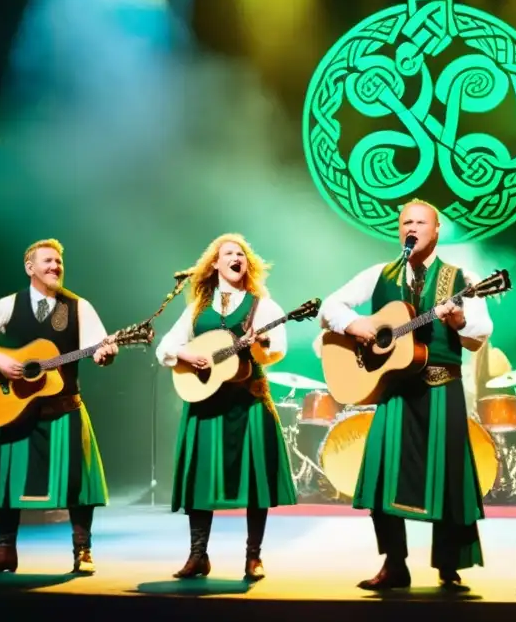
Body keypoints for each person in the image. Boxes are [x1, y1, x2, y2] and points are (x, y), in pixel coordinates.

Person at [317, 199, 493, 590]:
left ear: (436, 230)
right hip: (394, 389)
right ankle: (394, 563)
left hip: (440, 387)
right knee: (382, 476)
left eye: (420, 222)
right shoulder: (381, 273)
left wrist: (460, 319)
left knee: (447, 479)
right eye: (405, 222)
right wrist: (357, 326)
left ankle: (449, 566)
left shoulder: (462, 277)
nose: (411, 228)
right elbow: (330, 307)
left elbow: (480, 333)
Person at [0, 239, 116, 574]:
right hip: (18, 409)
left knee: (77, 481)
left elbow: (97, 345)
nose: (56, 266)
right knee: (5, 479)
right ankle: (4, 550)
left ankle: (82, 551)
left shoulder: (77, 306)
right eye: (48, 261)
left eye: (59, 262)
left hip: (64, 407)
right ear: (30, 267)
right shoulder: (9, 305)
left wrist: (105, 352)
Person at [155, 233, 296, 581]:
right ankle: (197, 555)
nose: (237, 258)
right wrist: (187, 354)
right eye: (229, 253)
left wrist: (260, 343)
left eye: (242, 254)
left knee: (254, 481)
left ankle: (253, 557)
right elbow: (165, 348)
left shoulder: (261, 306)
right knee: (200, 481)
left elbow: (277, 348)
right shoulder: (196, 310)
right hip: (205, 405)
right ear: (215, 264)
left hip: (247, 402)